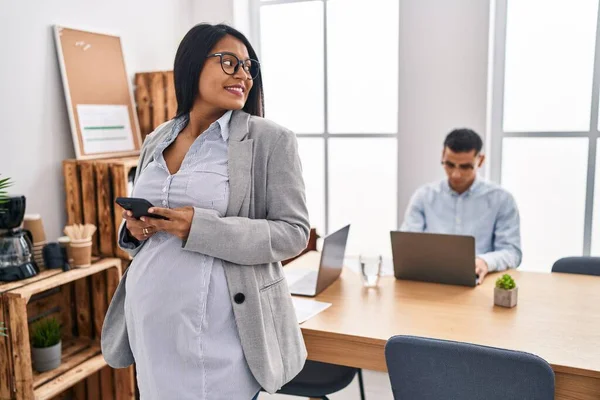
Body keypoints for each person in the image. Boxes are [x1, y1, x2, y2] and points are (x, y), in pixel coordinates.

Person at [101, 23, 310, 400]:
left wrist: (199, 226)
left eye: (248, 67)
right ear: (192, 64)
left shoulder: (270, 140)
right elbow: (148, 235)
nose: (243, 75)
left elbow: (292, 232)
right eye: (230, 62)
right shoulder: (157, 138)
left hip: (218, 333)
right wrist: (135, 230)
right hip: (150, 323)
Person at [400, 128, 522, 283]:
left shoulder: (501, 199)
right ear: (442, 156)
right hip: (431, 282)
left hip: (480, 283)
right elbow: (407, 247)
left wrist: (484, 262)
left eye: (465, 167)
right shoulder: (424, 196)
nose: (455, 174)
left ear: (481, 160)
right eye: (449, 165)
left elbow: (512, 252)